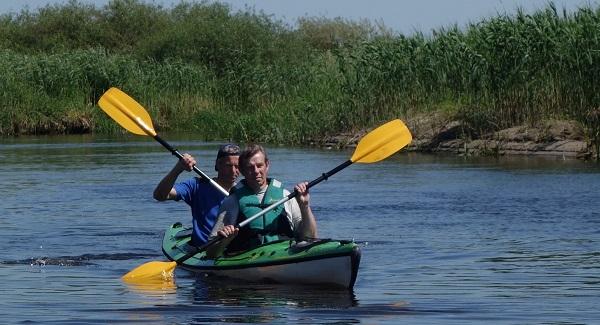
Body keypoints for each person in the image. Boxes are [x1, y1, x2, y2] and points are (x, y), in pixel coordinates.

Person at [207, 144, 318, 258]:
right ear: (242, 170)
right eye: (250, 167)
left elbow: (310, 237)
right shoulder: (232, 201)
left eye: (259, 165)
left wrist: (305, 206)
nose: (256, 171)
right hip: (247, 259)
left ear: (267, 165)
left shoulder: (286, 196)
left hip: (284, 255)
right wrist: (225, 240)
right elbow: (210, 252)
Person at [153, 144, 240, 246]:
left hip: (231, 248)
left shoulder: (244, 190)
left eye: (237, 166)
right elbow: (160, 195)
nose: (233, 171)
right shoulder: (197, 186)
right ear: (217, 165)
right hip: (201, 249)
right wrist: (178, 169)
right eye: (228, 166)